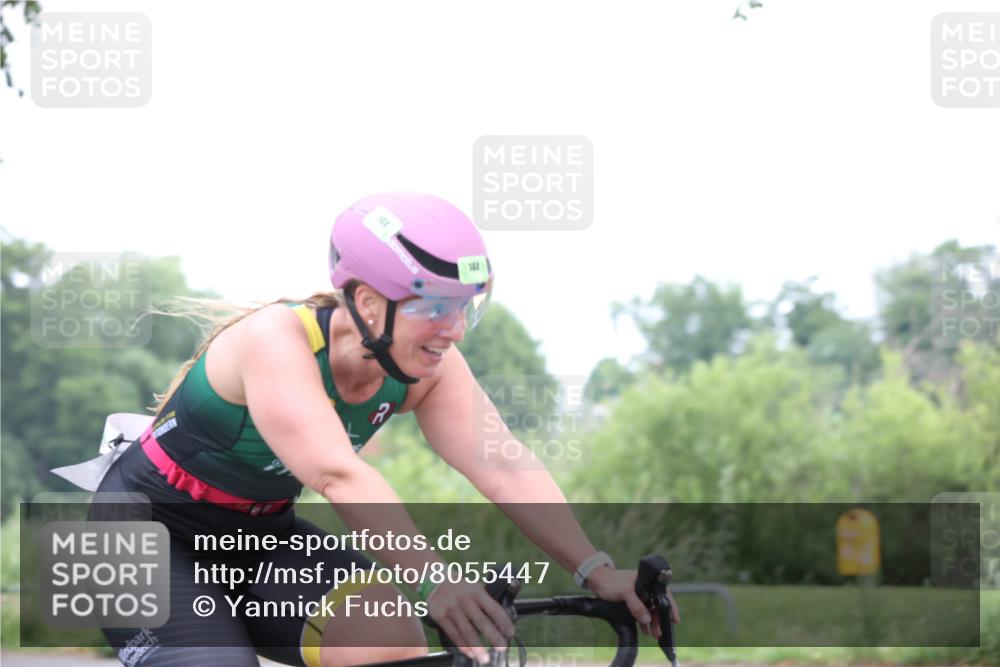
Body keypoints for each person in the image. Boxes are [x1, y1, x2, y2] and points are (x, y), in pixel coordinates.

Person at [90, 192, 678, 667]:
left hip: (260, 537)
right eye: (434, 306)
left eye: (466, 307)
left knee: (387, 637)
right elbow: (340, 476)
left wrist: (598, 572)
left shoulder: (428, 369)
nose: (454, 330)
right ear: (369, 302)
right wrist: (436, 583)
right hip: (143, 534)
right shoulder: (276, 340)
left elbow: (504, 466)